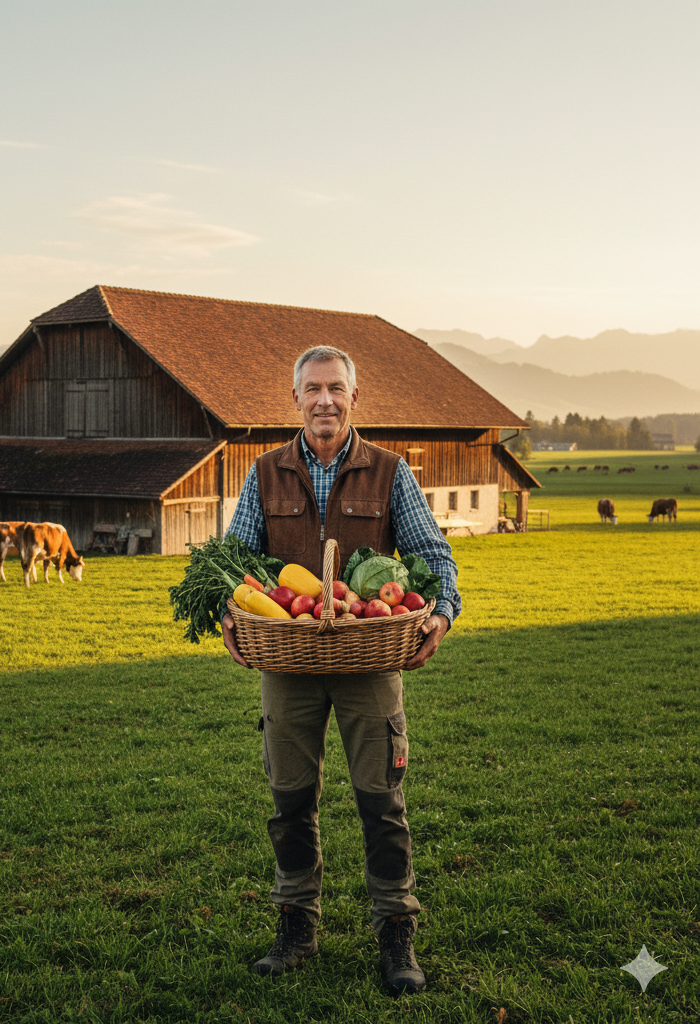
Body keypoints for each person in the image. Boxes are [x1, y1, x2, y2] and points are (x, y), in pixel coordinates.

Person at [221, 345, 461, 996]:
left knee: (383, 801)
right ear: (295, 398)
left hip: (369, 659)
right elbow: (233, 560)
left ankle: (396, 933)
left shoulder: (390, 472)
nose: (324, 399)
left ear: (355, 398)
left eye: (335, 388)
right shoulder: (263, 473)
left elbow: (433, 557)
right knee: (289, 800)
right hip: (287, 660)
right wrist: (229, 616)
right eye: (312, 388)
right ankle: (296, 925)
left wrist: (438, 616)